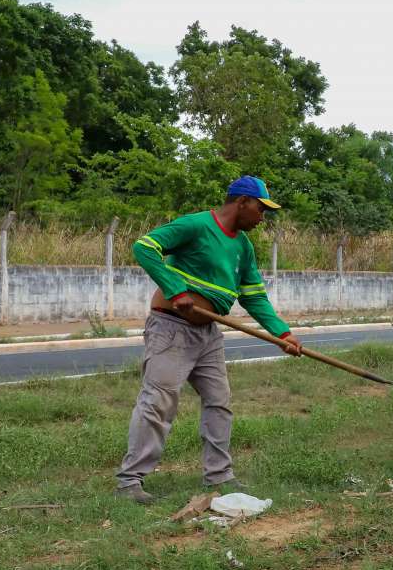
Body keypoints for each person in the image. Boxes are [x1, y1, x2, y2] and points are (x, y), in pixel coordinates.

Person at [115, 175, 302, 504]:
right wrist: (176, 289)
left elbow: (254, 297)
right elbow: (144, 247)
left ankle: (219, 475)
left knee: (219, 401)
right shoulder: (197, 225)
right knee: (158, 402)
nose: (262, 218)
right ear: (241, 202)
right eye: (260, 209)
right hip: (170, 328)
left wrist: (282, 335)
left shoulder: (243, 246)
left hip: (207, 334)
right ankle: (130, 482)